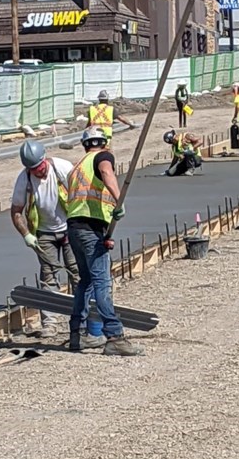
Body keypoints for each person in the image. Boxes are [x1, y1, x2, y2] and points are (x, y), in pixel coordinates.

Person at [64, 126, 143, 357]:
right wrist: (119, 202)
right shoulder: (103, 156)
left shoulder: (77, 168)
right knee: (101, 282)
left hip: (76, 228)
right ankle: (115, 337)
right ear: (104, 142)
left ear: (84, 144)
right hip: (90, 227)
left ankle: (76, 336)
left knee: (85, 281)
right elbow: (107, 173)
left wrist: (106, 233)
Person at [10, 141, 79, 339]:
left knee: (76, 272)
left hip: (69, 228)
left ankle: (80, 318)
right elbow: (16, 212)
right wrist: (26, 235)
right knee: (49, 277)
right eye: (32, 169)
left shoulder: (62, 168)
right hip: (44, 234)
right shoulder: (25, 180)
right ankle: (50, 323)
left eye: (39, 167)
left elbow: (81, 194)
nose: (37, 172)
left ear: (45, 159)